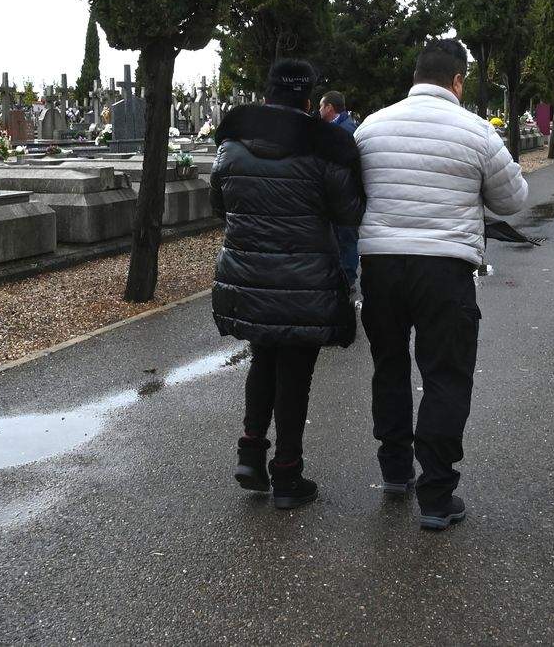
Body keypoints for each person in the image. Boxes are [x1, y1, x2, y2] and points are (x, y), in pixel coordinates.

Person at [354, 39, 528, 531]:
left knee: (389, 365)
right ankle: (436, 491)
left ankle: (393, 468)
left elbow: (356, 190)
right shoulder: (475, 131)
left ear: (414, 76)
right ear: (458, 81)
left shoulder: (372, 126)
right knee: (445, 374)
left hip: (382, 264)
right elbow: (512, 199)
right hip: (445, 268)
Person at [211, 58, 365, 510]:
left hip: (248, 274)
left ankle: (250, 454)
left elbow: (219, 205)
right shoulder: (324, 149)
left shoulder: (232, 147)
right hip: (304, 279)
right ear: (307, 100)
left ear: (267, 95)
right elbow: (349, 213)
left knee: (263, 357)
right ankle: (288, 473)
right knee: (295, 372)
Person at [318, 89, 360, 294]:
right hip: (338, 194)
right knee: (338, 237)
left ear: (329, 108)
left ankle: (348, 278)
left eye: (321, 106)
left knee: (346, 237)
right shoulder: (337, 127)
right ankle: (341, 275)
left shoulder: (345, 130)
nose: (318, 110)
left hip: (344, 195)